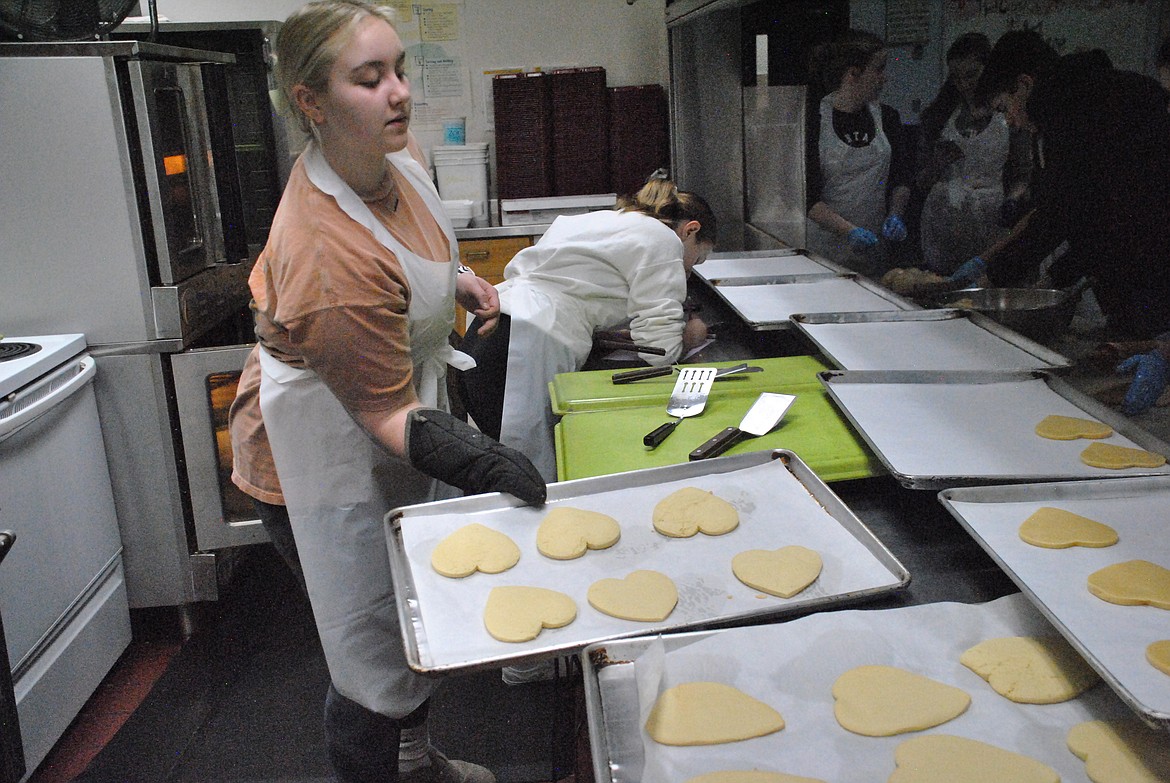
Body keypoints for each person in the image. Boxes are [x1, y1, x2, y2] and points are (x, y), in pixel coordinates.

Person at [228, 3, 545, 782]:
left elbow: (415, 254)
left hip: (386, 417)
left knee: (415, 617)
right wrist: (490, 461)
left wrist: (458, 283)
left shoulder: (392, 160)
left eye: (399, 69)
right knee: (368, 648)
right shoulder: (323, 251)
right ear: (311, 101)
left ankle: (416, 764)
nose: (399, 92)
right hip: (319, 456)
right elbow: (384, 413)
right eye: (369, 79)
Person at [457, 174, 716, 481]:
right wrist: (691, 337)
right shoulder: (664, 240)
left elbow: (573, 288)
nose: (687, 272)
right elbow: (660, 352)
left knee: (504, 468)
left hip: (484, 336)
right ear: (690, 230)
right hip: (523, 352)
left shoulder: (603, 221)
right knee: (528, 479)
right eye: (696, 260)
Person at [949, 30, 1170, 339]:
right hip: (1138, 265)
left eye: (1004, 108)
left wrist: (996, 274)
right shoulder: (1093, 91)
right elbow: (1087, 209)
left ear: (1025, 84)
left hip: (1149, 275)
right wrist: (1056, 275)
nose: (1009, 121)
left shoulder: (1069, 109)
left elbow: (1064, 214)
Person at [915, 32, 1032, 275]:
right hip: (945, 225)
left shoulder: (1009, 113)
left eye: (971, 75)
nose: (965, 85)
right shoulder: (938, 117)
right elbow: (920, 181)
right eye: (956, 78)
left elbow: (1023, 173)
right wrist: (938, 163)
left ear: (988, 70)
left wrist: (1012, 201)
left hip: (992, 223)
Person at [804, 29, 913, 278]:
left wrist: (896, 214)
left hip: (874, 251)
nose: (884, 78)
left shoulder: (887, 118)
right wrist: (849, 231)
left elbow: (901, 178)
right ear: (853, 73)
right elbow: (807, 198)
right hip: (825, 254)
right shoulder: (813, 120)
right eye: (878, 69)